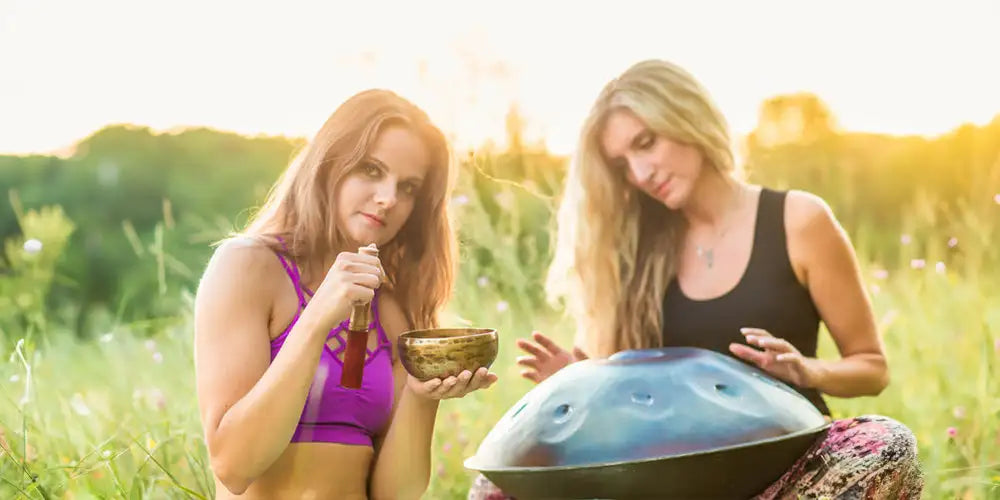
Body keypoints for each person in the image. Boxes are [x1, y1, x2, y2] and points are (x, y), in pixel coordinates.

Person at [468, 60, 923, 499]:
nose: (640, 174)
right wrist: (580, 384)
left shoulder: (799, 220)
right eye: (623, 164)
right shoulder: (633, 249)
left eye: (645, 143)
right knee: (495, 485)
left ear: (687, 116)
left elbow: (871, 368)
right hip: (670, 478)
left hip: (782, 465)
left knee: (886, 443)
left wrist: (805, 370)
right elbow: (626, 404)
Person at [193, 89, 498, 499]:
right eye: (372, 170)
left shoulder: (392, 310)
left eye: (408, 188)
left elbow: (394, 495)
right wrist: (317, 318)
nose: (389, 198)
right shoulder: (248, 267)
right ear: (330, 163)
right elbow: (234, 464)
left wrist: (422, 400)